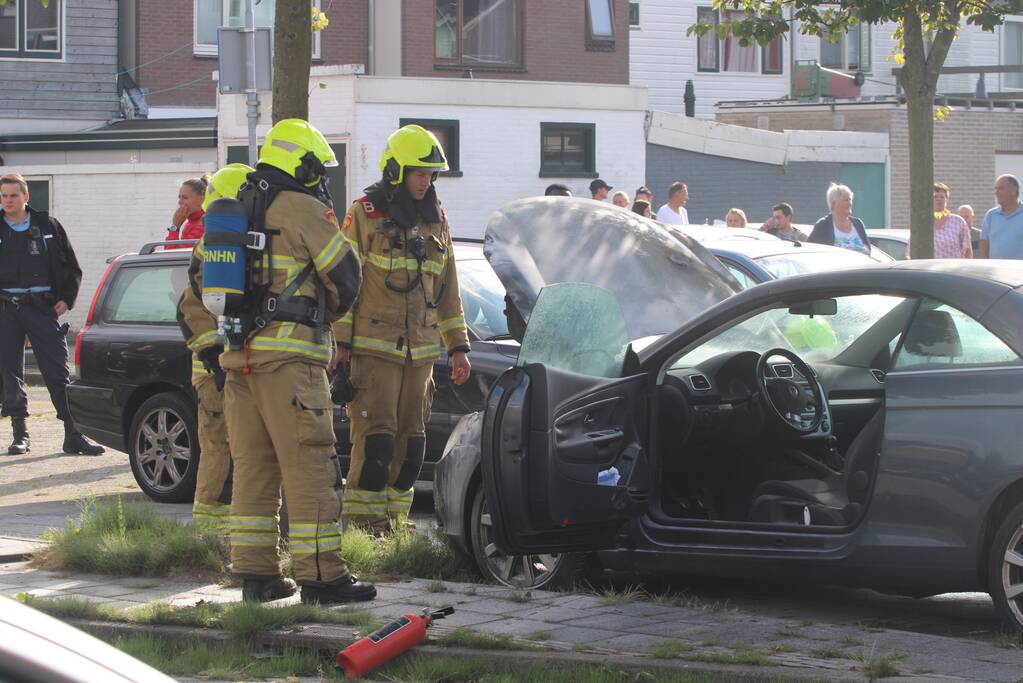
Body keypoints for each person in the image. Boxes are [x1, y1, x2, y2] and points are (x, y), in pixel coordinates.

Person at [182, 119, 373, 604]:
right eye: (317, 167)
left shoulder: (231, 208)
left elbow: (201, 287)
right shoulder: (304, 208)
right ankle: (322, 577)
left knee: (253, 468)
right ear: (302, 164)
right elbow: (347, 279)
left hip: (238, 360)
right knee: (309, 465)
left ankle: (256, 576)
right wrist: (320, 314)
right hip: (291, 362)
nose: (320, 178)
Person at [335, 124, 471, 534]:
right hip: (374, 351)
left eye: (430, 174)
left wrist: (458, 347)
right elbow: (343, 284)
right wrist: (341, 344)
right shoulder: (364, 215)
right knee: (376, 440)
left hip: (422, 352)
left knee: (412, 444)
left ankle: (395, 521)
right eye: (418, 173)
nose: (425, 181)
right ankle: (362, 524)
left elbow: (448, 289)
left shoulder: (437, 219)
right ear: (396, 171)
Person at [0, 173, 104, 456]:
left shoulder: (48, 225)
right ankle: (20, 433)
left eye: (14, 195)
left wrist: (66, 299)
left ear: (26, 197)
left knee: (58, 372)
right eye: (4, 195)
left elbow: (71, 265)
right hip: (6, 310)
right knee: (10, 373)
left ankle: (73, 433)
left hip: (42, 309)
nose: (9, 200)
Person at [176, 163, 253, 531]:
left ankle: (234, 523)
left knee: (242, 447)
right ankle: (210, 527)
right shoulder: (214, 247)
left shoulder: (243, 241)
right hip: (215, 370)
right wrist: (214, 359)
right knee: (220, 445)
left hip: (238, 363)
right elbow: (190, 308)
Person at [906, 183, 973, 259]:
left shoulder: (958, 222)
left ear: (946, 199)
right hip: (928, 268)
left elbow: (967, 250)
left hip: (952, 268)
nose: (939, 199)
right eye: (935, 197)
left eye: (942, 197)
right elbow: (910, 251)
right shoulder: (922, 223)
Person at [808, 183, 870, 254]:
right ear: (834, 204)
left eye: (850, 200)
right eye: (846, 200)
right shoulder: (823, 225)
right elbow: (811, 252)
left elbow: (868, 250)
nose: (850, 203)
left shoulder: (858, 223)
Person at [979, 174, 1023, 259]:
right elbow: (985, 250)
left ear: (1014, 191)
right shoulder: (990, 216)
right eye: (996, 189)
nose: (996, 192)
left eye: (1001, 188)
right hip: (995, 271)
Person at [167, 175, 210, 249]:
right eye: (179, 197)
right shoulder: (191, 222)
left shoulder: (203, 224)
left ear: (202, 199)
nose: (180, 202)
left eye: (185, 198)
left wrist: (175, 226)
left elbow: (171, 254)